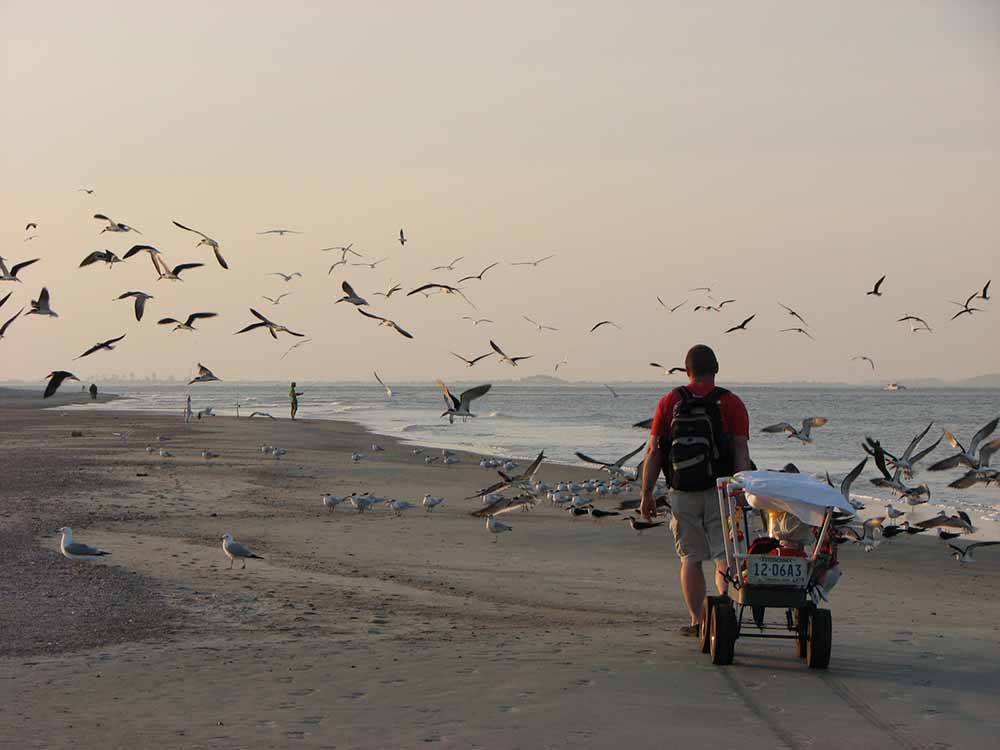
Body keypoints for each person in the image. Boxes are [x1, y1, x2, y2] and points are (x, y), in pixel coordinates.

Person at [640, 344, 752, 637]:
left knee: (690, 558)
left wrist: (647, 493)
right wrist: (741, 488)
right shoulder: (732, 403)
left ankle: (698, 621)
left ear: (686, 371)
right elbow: (740, 449)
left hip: (682, 491)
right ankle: (722, 614)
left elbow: (654, 451)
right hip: (721, 489)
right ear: (716, 369)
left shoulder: (670, 401)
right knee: (723, 554)